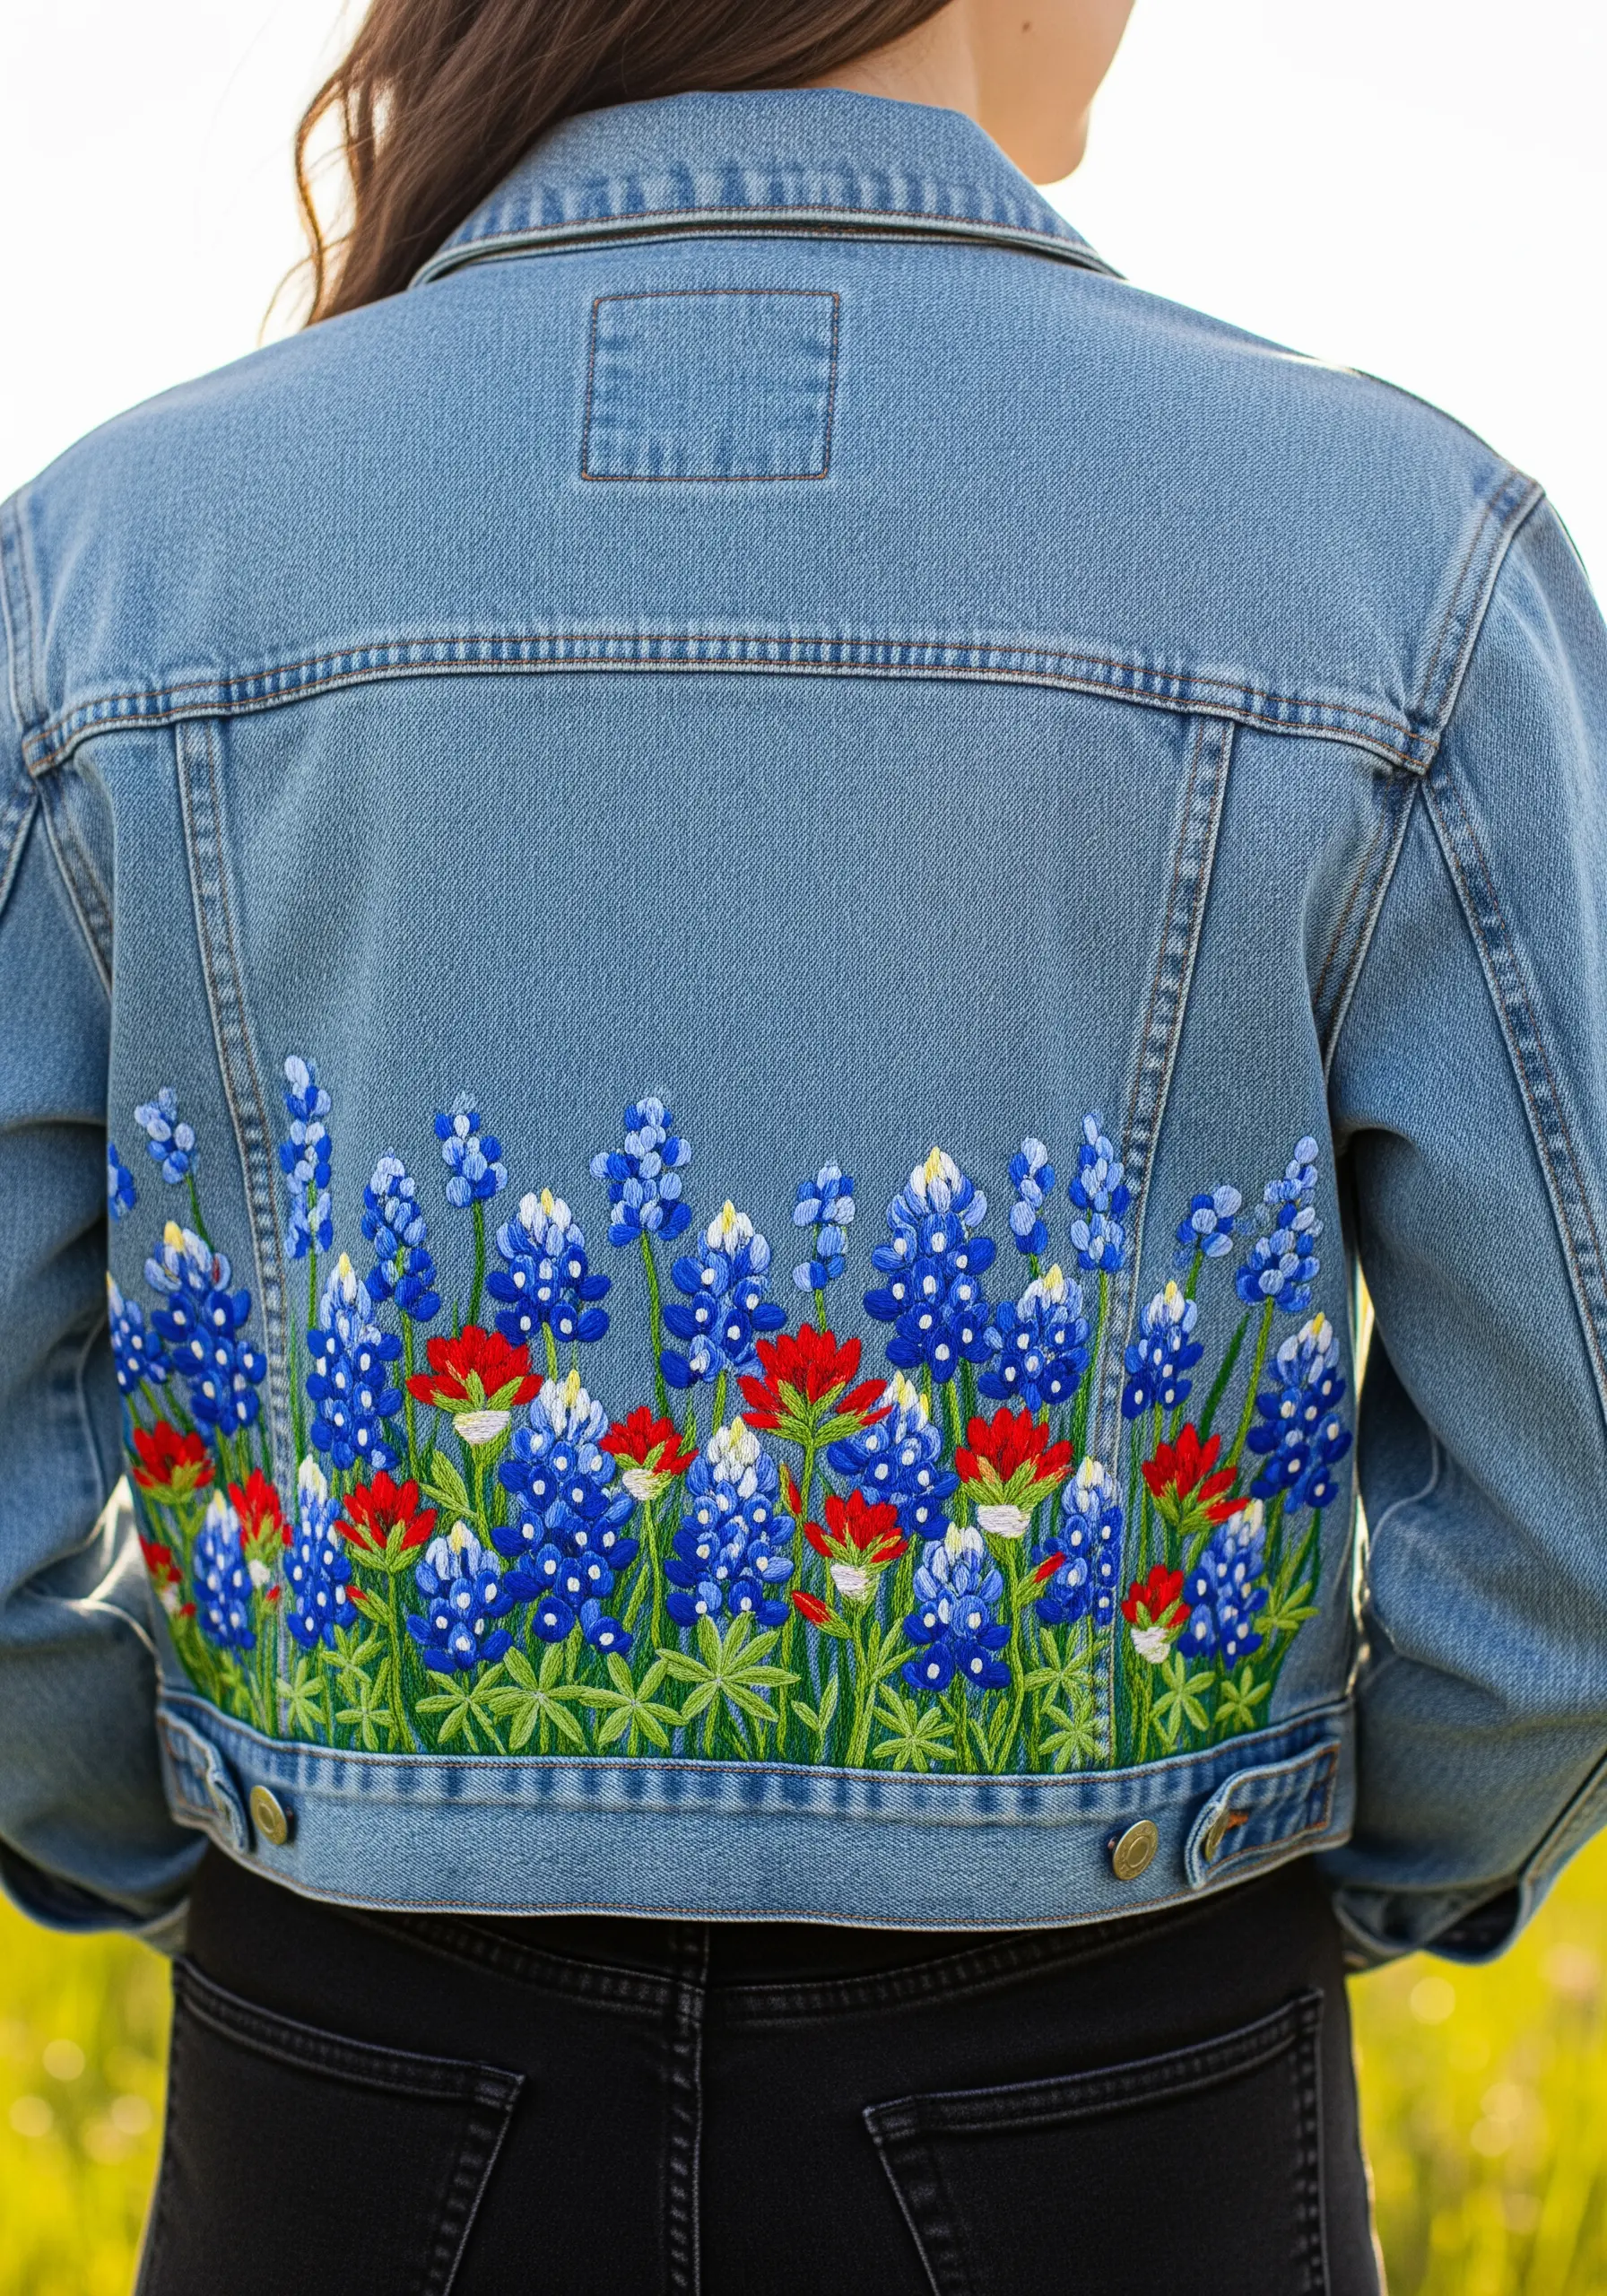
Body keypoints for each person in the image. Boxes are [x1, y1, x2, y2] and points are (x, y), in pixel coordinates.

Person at [2, 0, 1603, 2286]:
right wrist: (1310, 1875)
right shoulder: (1387, 548)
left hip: (347, 2067)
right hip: (1119, 2067)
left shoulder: (115, 557)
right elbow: (1574, 1494)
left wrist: (213, 1851)